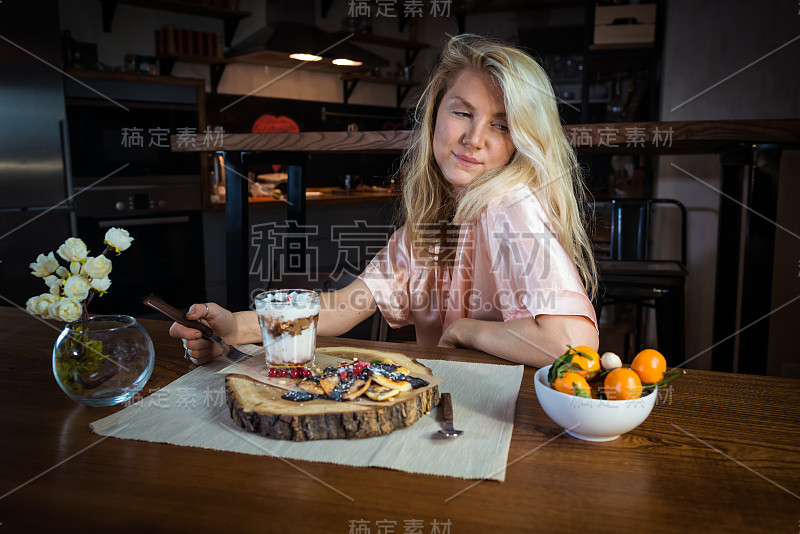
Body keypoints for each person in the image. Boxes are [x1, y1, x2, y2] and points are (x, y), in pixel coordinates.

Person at [170, 34, 599, 368]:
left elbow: (571, 347)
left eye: (502, 125)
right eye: (463, 113)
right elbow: (345, 305)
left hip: (509, 421)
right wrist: (236, 327)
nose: (474, 139)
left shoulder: (509, 203)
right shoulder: (433, 225)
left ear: (522, 142)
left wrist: (464, 330)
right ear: (435, 114)